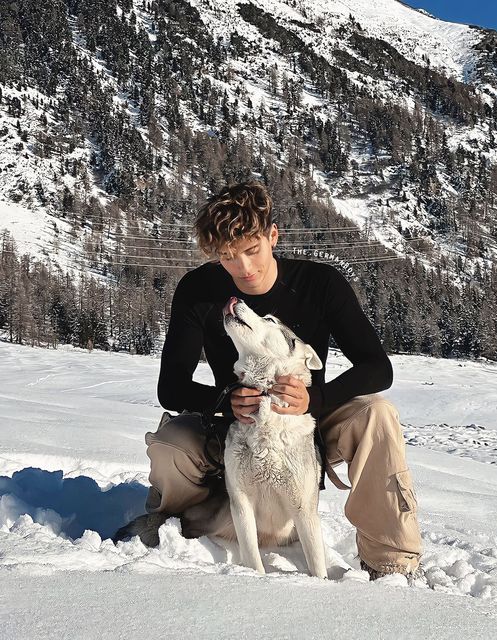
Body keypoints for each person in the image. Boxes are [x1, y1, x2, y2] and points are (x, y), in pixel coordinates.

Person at [147, 180, 423, 580]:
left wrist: (316, 399)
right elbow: (170, 387)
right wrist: (226, 401)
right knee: (171, 443)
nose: (244, 267)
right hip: (231, 428)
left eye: (252, 250)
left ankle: (391, 561)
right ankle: (178, 523)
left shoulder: (319, 284)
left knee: (377, 413)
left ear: (272, 236)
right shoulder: (198, 291)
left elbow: (377, 367)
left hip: (304, 425)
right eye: (227, 257)